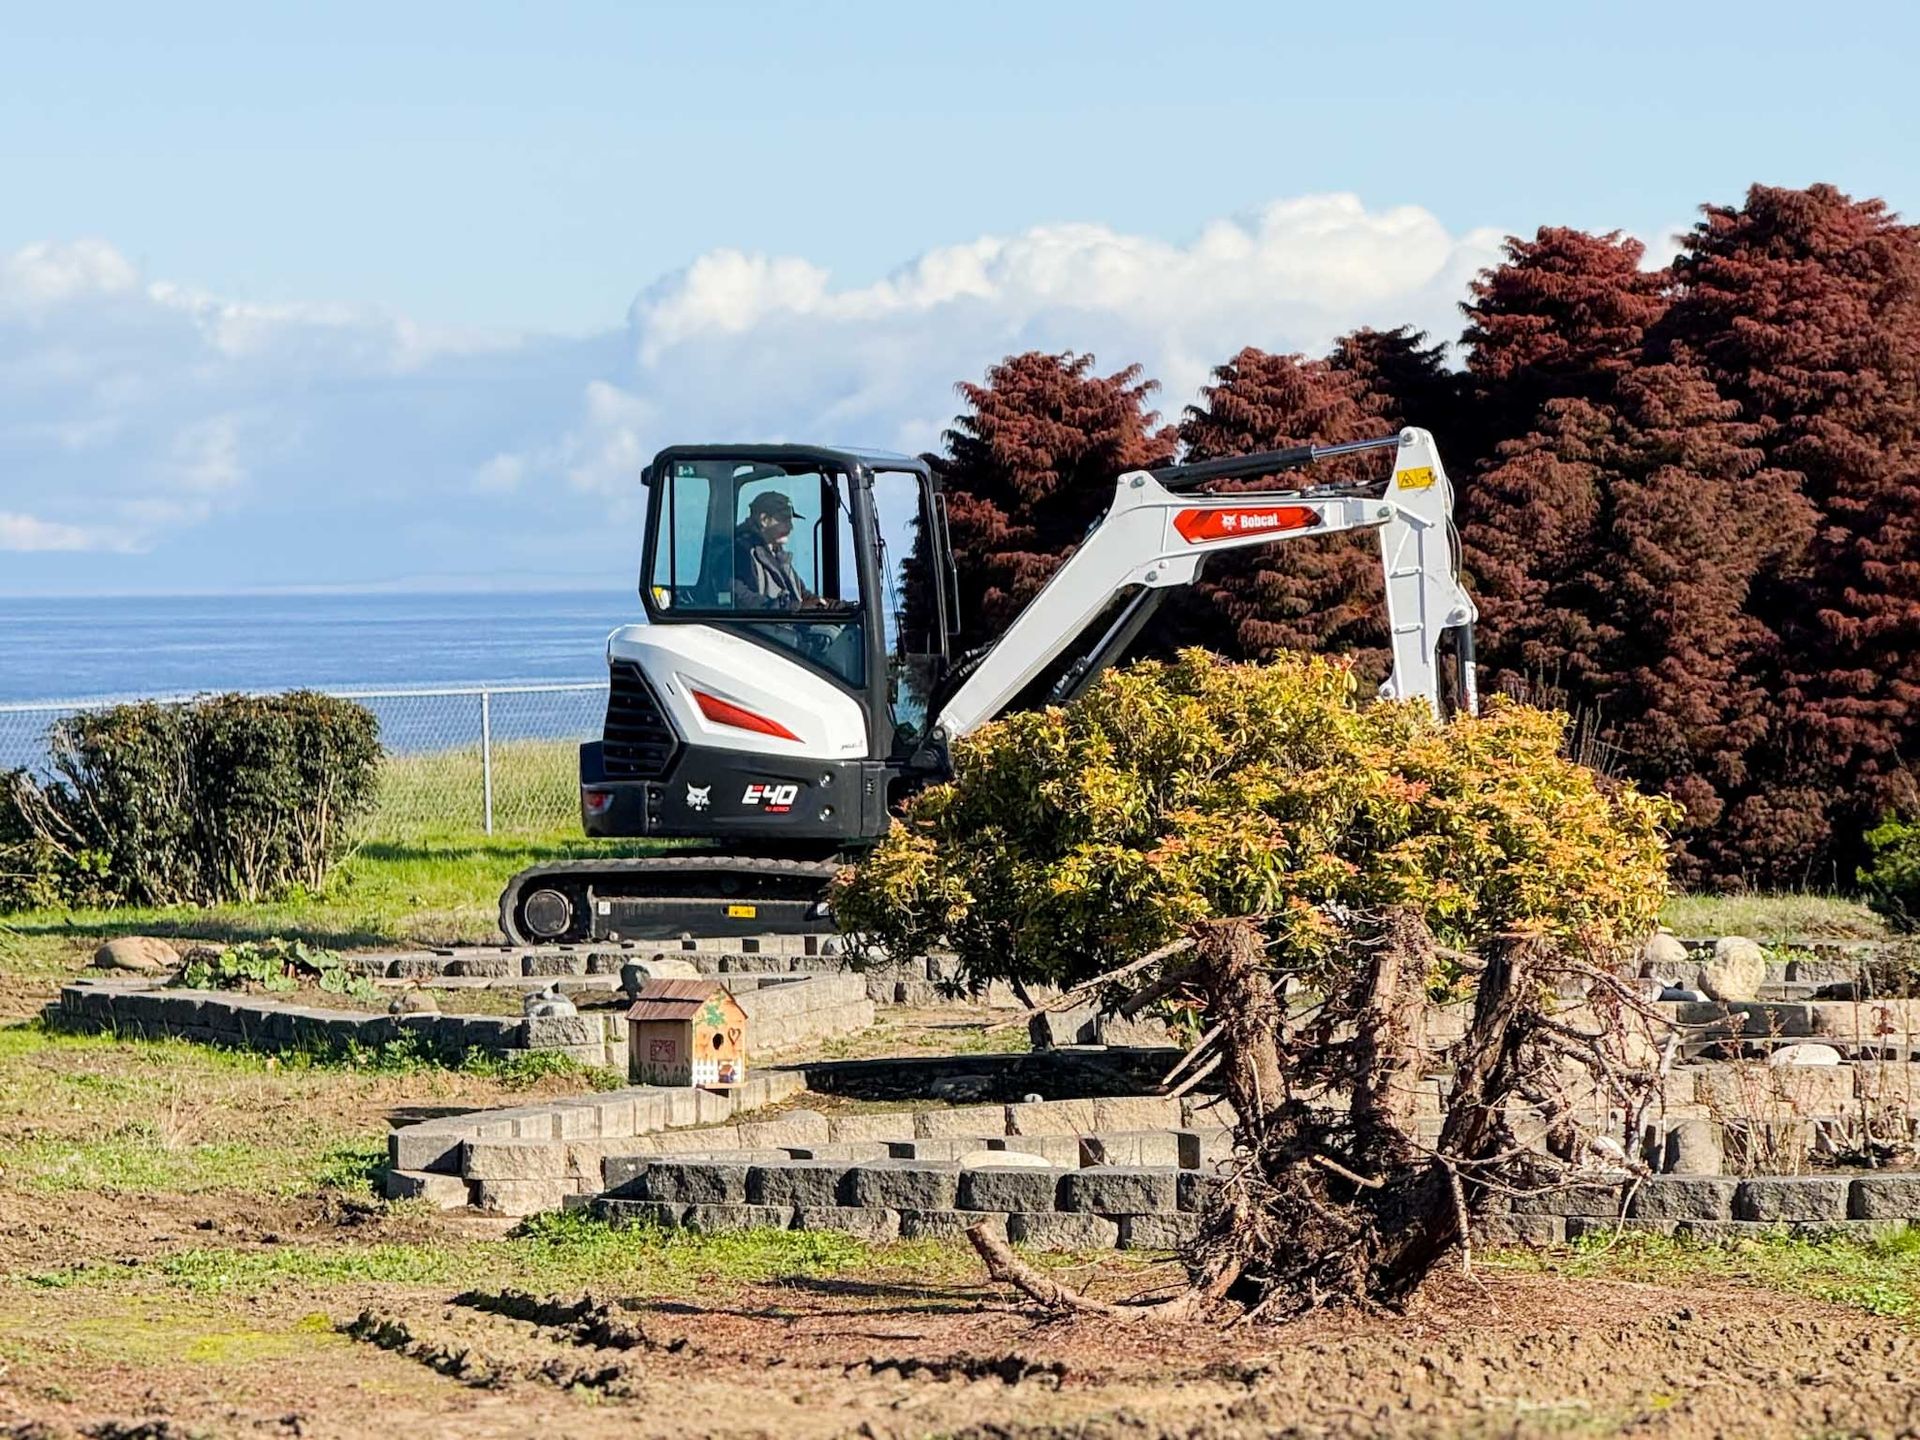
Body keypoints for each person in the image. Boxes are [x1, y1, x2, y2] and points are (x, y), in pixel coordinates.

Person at [730, 491, 813, 610]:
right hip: (758, 626)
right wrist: (783, 607)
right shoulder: (740, 553)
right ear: (764, 520)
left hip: (781, 623)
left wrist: (830, 605)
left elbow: (802, 595)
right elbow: (740, 598)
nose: (791, 527)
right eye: (784, 520)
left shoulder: (778, 555)